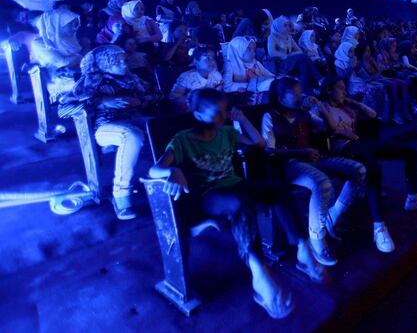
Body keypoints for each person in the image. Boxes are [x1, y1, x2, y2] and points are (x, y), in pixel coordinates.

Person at [149, 88, 317, 319]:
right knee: (240, 203)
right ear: (197, 115)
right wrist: (174, 170)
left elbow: (257, 142)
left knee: (278, 190)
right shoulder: (183, 140)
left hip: (234, 185)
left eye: (224, 111)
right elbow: (154, 168)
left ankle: (302, 248)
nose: (223, 116)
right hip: (207, 196)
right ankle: (259, 272)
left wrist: (242, 118)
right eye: (216, 113)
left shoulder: (227, 133)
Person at [261, 77, 368, 263]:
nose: (300, 96)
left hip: (312, 158)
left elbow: (325, 128)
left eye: (299, 92)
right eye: (294, 94)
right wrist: (301, 151)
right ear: (280, 98)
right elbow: (269, 150)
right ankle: (317, 240)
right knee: (322, 183)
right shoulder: (270, 116)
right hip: (289, 164)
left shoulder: (302, 113)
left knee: (358, 170)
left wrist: (319, 107)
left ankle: (332, 216)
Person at [58, 45, 158, 219]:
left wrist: (139, 101)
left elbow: (157, 95)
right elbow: (64, 109)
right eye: (116, 61)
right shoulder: (92, 81)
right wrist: (101, 102)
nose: (124, 64)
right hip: (105, 126)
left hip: (133, 119)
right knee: (132, 135)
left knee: (161, 126)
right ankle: (121, 195)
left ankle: (163, 179)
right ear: (104, 63)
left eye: (124, 60)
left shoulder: (131, 78)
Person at [317, 76, 417, 216]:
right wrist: (343, 132)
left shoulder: (345, 107)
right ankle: (379, 226)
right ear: (329, 90)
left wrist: (354, 103)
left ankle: (414, 198)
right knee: (374, 168)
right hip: (343, 149)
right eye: (341, 89)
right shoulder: (321, 108)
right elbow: (329, 129)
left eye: (345, 89)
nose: (345, 92)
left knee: (410, 152)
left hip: (359, 144)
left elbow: (372, 114)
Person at [169, 46, 223, 112]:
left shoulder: (216, 75)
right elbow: (174, 98)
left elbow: (219, 94)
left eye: (214, 58)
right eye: (208, 58)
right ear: (196, 62)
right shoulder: (186, 77)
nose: (212, 62)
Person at [223, 36, 274, 104]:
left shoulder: (254, 62)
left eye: (254, 49)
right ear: (239, 50)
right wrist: (250, 85)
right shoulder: (230, 65)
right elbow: (227, 86)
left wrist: (274, 78)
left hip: (260, 90)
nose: (253, 53)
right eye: (249, 49)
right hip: (244, 97)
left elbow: (268, 74)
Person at [267, 16, 313, 89]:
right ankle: (318, 80)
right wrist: (287, 55)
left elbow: (299, 51)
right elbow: (272, 53)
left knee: (303, 64)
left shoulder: (289, 37)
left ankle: (305, 87)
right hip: (280, 63)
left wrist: (291, 55)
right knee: (304, 57)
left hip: (290, 61)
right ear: (278, 26)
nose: (288, 27)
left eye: (288, 25)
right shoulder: (272, 37)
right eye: (285, 25)